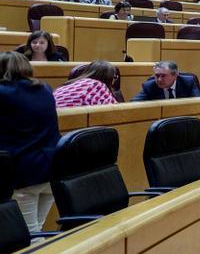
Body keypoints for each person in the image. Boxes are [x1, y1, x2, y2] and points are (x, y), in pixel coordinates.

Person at [0, 52, 60, 232]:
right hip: (53, 166)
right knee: (36, 229)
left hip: (25, 170)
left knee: (29, 234)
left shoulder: (3, 92)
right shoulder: (45, 88)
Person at [52, 60, 119, 108]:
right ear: (108, 78)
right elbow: (116, 112)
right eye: (114, 77)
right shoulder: (96, 86)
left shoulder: (71, 83)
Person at [133, 60, 200, 100]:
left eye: (163, 76)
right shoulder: (149, 86)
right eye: (157, 75)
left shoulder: (188, 83)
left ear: (175, 75)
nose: (159, 79)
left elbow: (197, 104)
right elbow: (133, 105)